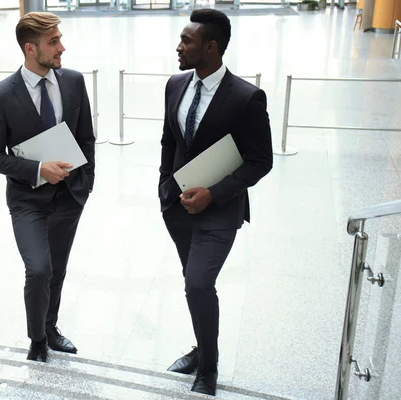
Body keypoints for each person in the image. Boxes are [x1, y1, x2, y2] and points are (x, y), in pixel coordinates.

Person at [159, 9, 273, 395]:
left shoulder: (246, 98)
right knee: (194, 286)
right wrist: (164, 188)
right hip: (178, 209)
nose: (179, 46)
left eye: (186, 41)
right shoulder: (175, 85)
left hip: (221, 212)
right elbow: (170, 142)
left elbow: (261, 161)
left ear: (210, 47)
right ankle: (202, 347)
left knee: (198, 282)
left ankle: (208, 368)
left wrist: (215, 193)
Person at [0, 11, 95, 363]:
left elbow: (86, 137)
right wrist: (38, 168)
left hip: (69, 197)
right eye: (53, 42)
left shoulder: (73, 82)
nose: (62, 47)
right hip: (27, 199)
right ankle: (37, 338)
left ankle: (51, 326)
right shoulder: (1, 95)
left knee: (57, 269)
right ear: (31, 49)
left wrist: (85, 186)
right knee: (39, 269)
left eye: (59, 39)